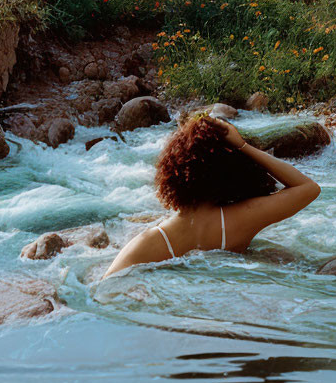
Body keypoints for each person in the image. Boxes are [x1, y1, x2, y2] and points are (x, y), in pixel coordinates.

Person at [101, 114, 321, 277]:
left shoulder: (149, 242)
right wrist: (243, 146)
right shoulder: (244, 219)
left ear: (173, 171)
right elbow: (308, 188)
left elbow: (105, 287)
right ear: (233, 172)